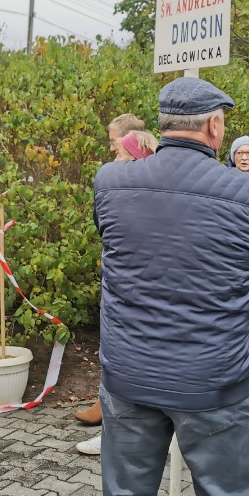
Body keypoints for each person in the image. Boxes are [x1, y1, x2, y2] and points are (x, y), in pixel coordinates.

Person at [94, 77, 249, 496]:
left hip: (129, 375)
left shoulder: (112, 181)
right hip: (211, 381)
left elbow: (115, 245)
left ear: (162, 125)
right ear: (215, 126)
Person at [77, 124, 159, 456]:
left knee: (122, 360)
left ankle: (114, 432)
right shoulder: (143, 193)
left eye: (122, 153)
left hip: (133, 293)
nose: (115, 159)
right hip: (138, 290)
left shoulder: (130, 195)